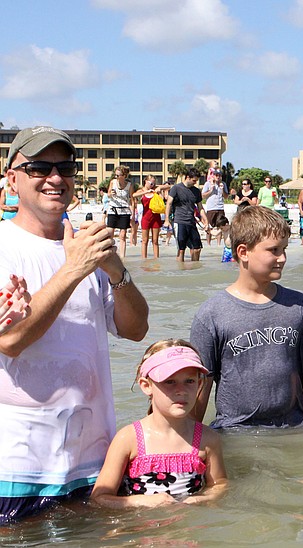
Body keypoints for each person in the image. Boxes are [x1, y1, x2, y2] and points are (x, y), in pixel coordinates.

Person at [0, 126, 149, 523]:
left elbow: (136, 330)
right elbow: (11, 340)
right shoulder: (4, 247)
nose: (54, 178)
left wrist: (114, 268)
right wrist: (74, 269)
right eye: (38, 167)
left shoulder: (84, 246)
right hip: (17, 466)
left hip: (92, 462)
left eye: (65, 167)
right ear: (11, 177)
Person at [190, 206, 303, 428]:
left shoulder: (299, 305)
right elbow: (201, 384)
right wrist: (190, 440)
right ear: (243, 252)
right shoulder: (211, 314)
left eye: (284, 249)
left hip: (295, 428)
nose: (283, 258)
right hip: (236, 431)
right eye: (274, 250)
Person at [91, 340, 227, 508]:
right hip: (142, 529)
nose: (181, 390)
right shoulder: (128, 438)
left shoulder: (207, 439)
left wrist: (202, 499)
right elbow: (100, 497)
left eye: (189, 381)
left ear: (200, 384)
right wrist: (143, 501)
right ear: (147, 386)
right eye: (170, 382)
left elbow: (220, 484)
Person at [165, 167, 208, 262]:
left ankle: (195, 270)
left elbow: (200, 208)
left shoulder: (196, 191)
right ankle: (181, 272)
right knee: (181, 249)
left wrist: (206, 221)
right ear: (188, 177)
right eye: (193, 180)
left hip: (191, 222)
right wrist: (167, 220)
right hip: (179, 221)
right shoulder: (176, 188)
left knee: (197, 249)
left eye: (196, 181)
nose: (195, 182)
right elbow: (169, 203)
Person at [133, 175, 166, 259]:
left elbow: (168, 186)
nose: (152, 185)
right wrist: (145, 192)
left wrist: (159, 188)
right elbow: (134, 195)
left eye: (154, 183)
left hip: (156, 218)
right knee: (145, 240)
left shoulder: (155, 189)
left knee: (155, 240)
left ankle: (156, 259)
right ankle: (144, 259)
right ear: (146, 181)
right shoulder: (141, 190)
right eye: (151, 183)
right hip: (146, 218)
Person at [107, 165, 134, 258]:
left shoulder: (129, 185)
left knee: (123, 235)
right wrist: (111, 194)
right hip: (113, 209)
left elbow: (131, 200)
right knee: (110, 232)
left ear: (124, 175)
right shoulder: (113, 182)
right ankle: (109, 254)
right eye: (115, 175)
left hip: (124, 211)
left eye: (118, 175)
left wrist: (133, 214)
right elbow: (108, 194)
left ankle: (122, 257)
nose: (116, 177)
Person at [202, 168, 228, 246]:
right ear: (213, 175)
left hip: (220, 208)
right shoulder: (208, 184)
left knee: (220, 226)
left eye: (219, 175)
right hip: (211, 208)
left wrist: (222, 189)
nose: (218, 177)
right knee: (209, 226)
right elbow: (203, 195)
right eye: (216, 175)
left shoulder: (223, 184)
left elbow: (226, 196)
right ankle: (208, 243)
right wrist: (211, 190)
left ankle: (218, 244)